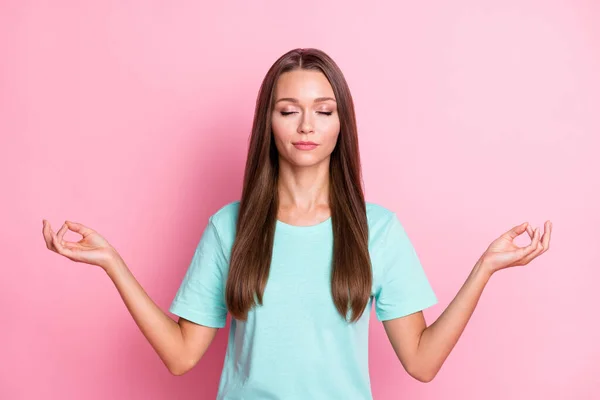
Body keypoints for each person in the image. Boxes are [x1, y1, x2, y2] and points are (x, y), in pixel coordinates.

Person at [41, 48, 552, 399]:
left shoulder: (379, 231)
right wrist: (111, 263)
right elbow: (180, 356)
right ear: (269, 121)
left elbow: (421, 362)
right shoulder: (230, 227)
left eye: (323, 111)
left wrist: (485, 267)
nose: (307, 125)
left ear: (340, 123)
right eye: (289, 110)